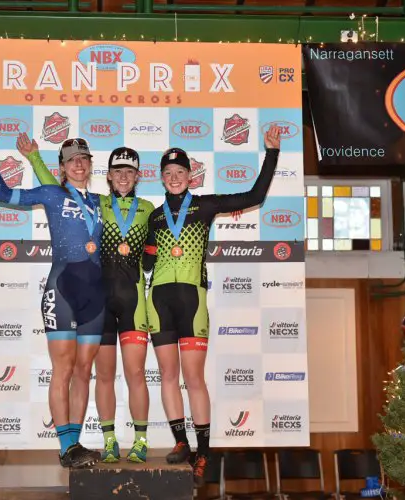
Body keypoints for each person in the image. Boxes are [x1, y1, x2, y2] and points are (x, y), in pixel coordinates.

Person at [142, 125, 281, 485]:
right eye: (169, 174)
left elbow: (255, 195)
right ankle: (180, 443)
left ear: (191, 176)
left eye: (180, 173)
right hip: (158, 301)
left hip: (192, 300)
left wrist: (272, 153)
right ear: (162, 178)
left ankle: (204, 453)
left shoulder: (205, 205)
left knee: (193, 378)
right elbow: (144, 263)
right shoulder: (154, 217)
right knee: (168, 376)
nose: (174, 178)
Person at [0, 122, 104, 469]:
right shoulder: (51, 194)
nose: (78, 165)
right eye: (71, 160)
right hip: (63, 290)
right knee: (63, 368)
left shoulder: (104, 203)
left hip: (95, 296)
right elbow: (4, 195)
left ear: (90, 165)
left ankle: (77, 445)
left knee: (83, 370)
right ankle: (65, 446)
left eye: (83, 159)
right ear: (61, 168)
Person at [17, 133, 154, 463]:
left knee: (116, 372)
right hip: (88, 295)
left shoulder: (143, 208)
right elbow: (57, 193)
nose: (123, 177)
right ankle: (95, 443)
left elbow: (153, 251)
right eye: (117, 171)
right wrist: (35, 159)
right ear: (106, 174)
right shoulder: (96, 202)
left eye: (129, 171)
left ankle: (134, 440)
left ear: (139, 176)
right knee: (87, 372)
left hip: (123, 298)